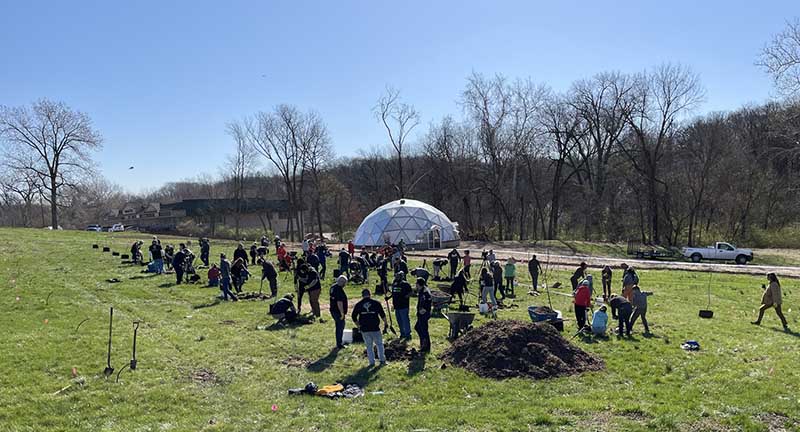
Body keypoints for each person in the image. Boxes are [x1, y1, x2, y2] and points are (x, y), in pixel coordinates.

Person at [352, 288, 388, 367]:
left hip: (364, 329)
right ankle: (382, 360)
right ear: (370, 294)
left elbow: (353, 316)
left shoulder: (359, 304)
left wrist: (358, 325)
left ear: (362, 295)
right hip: (375, 328)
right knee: (379, 344)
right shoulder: (376, 303)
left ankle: (371, 362)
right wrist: (386, 323)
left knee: (369, 346)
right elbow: (382, 314)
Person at [388, 271, 413, 339]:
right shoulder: (395, 284)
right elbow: (393, 293)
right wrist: (388, 298)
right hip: (396, 306)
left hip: (404, 306)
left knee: (405, 320)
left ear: (401, 277)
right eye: (396, 276)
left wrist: (406, 296)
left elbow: (411, 292)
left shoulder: (406, 284)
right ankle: (402, 333)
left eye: (398, 276)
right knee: (399, 320)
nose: (396, 278)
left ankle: (408, 334)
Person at [329, 275, 349, 349]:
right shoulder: (339, 290)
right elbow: (339, 302)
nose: (345, 285)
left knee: (339, 326)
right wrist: (342, 313)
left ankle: (339, 342)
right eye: (345, 283)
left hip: (333, 309)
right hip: (337, 311)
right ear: (342, 282)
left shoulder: (333, 287)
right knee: (340, 326)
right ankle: (339, 344)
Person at [415, 277, 433, 352]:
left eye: (416, 283)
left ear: (419, 284)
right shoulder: (421, 290)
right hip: (421, 313)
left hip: (424, 314)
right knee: (418, 327)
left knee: (423, 329)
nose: (415, 285)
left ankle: (425, 346)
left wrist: (424, 310)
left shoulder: (425, 292)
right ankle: (423, 343)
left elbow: (429, 301)